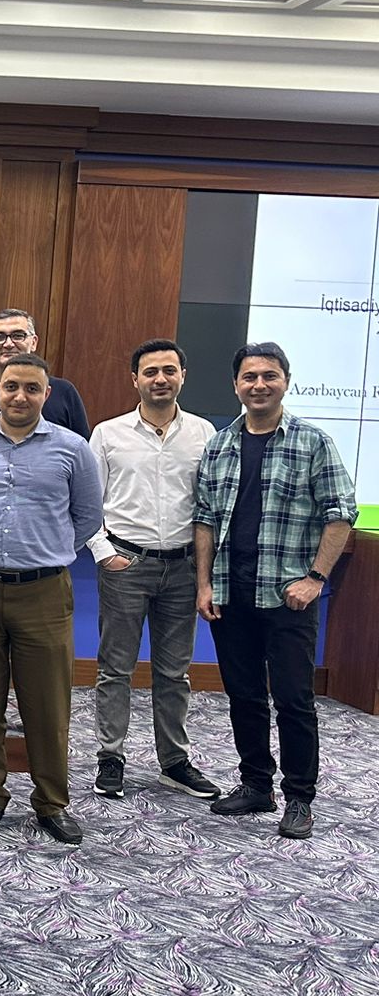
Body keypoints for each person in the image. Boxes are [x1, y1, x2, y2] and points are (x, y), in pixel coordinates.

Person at [195, 341, 356, 840]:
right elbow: (204, 520)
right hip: (231, 592)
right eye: (250, 377)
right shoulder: (219, 446)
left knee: (293, 700)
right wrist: (204, 583)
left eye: (269, 376)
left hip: (289, 596)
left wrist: (316, 579)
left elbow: (340, 514)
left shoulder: (312, 442)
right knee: (244, 696)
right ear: (236, 385)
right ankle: (255, 786)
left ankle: (299, 798)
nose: (259, 385)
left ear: (286, 381)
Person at [0, 354, 101, 845]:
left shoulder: (73, 449)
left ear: (46, 394)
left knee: (47, 704)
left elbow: (88, 516)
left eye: (32, 388)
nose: (20, 396)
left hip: (44, 591)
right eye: (11, 386)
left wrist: (47, 550)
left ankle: (52, 802)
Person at [88, 339, 220, 802]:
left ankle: (174, 762)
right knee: (115, 668)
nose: (160, 379)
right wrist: (103, 553)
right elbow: (89, 503)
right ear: (135, 379)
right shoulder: (108, 433)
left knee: (174, 672)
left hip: (183, 567)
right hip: (126, 564)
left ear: (183, 375)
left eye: (168, 370)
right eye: (150, 372)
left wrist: (205, 571)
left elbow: (210, 505)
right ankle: (110, 756)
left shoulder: (204, 434)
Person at [0, 309, 90, 438]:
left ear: (33, 342)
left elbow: (80, 445)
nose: (8, 344)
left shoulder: (64, 392)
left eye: (18, 336)